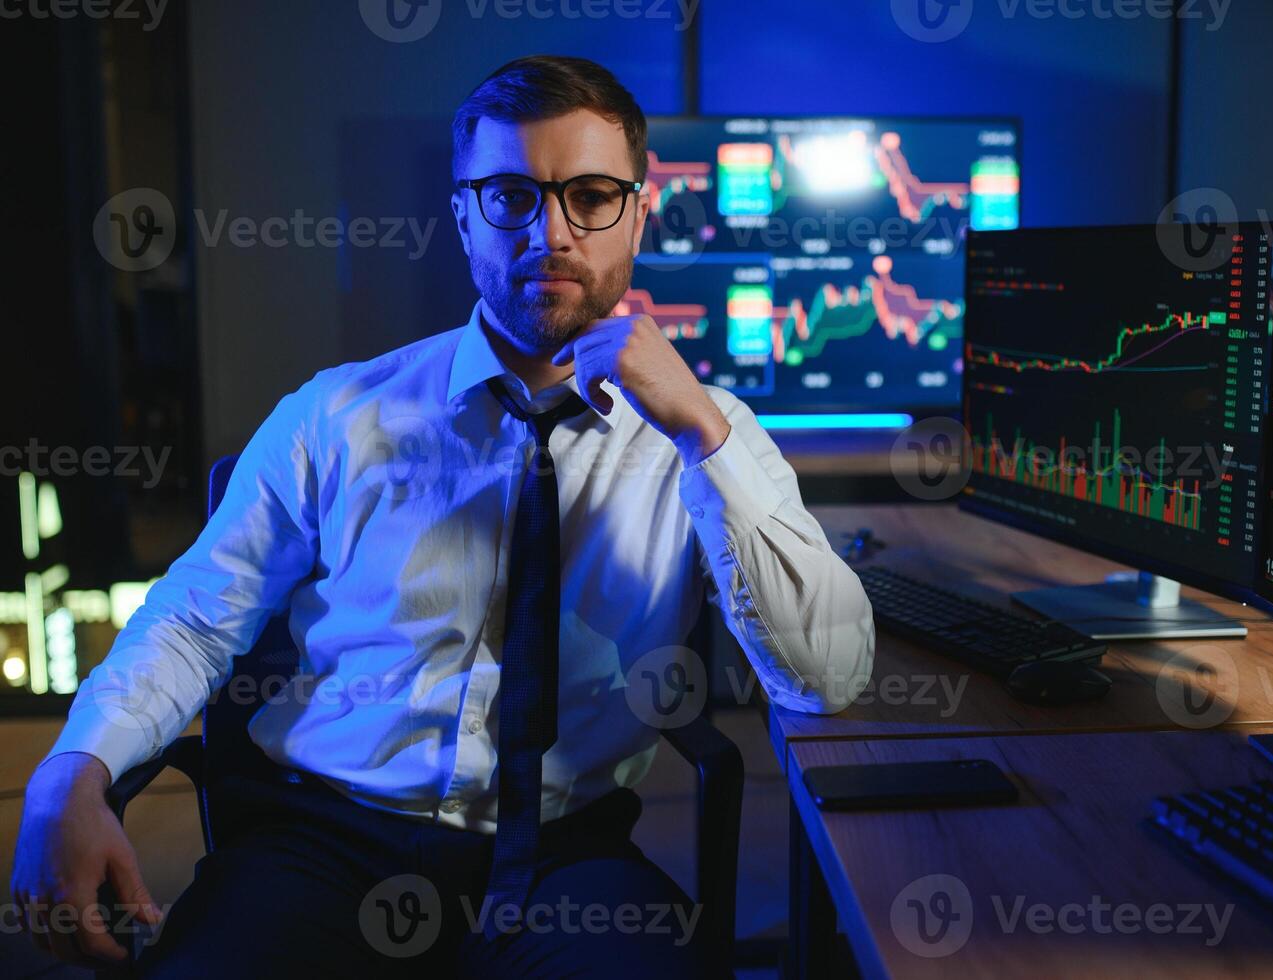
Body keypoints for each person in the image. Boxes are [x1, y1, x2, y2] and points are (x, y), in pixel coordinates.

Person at [11, 54, 874, 977]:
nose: (551, 231)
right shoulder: (338, 415)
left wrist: (703, 433)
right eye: (510, 195)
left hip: (566, 857)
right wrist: (70, 774)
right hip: (323, 845)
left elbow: (827, 678)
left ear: (638, 209)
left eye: (590, 195)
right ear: (462, 213)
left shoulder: (711, 434)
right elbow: (191, 622)